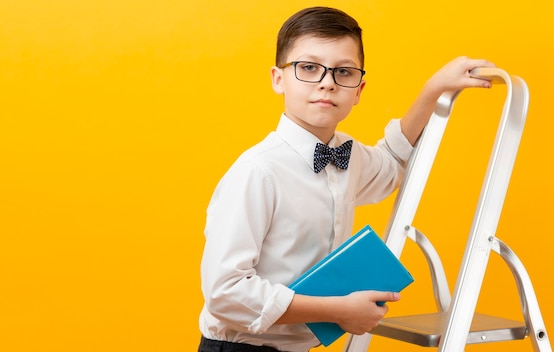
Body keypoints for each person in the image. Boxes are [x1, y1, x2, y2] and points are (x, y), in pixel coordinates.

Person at [198, 6, 494, 352]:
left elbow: (391, 162)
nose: (327, 82)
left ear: (359, 90)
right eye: (309, 68)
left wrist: (433, 89)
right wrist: (338, 310)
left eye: (343, 72)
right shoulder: (257, 171)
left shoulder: (347, 155)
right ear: (278, 79)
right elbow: (225, 292)